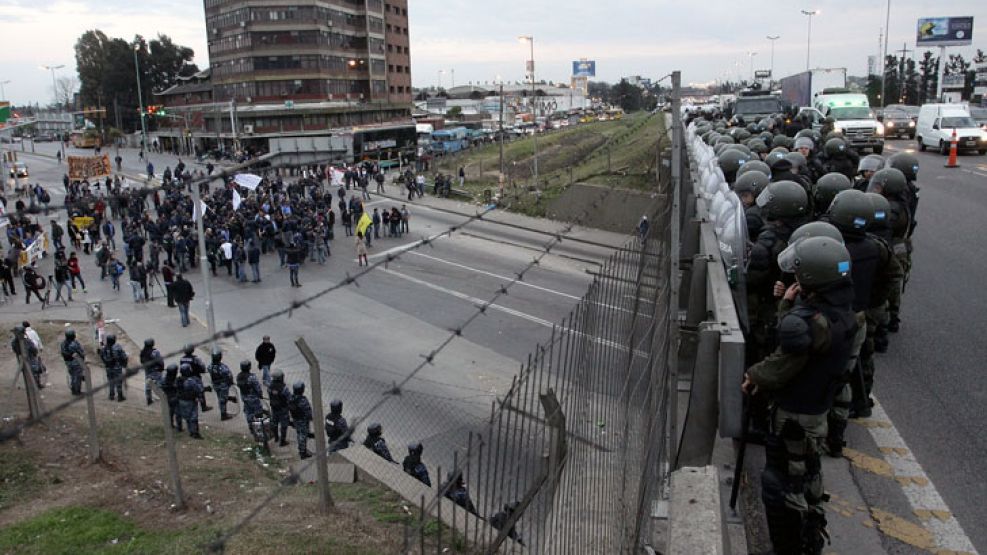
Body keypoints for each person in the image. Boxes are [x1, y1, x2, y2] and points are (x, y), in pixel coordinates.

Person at [743, 236, 857, 555]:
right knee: (807, 481)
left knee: (782, 488)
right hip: (815, 413)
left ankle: (791, 549)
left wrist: (754, 375)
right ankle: (808, 543)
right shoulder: (842, 311)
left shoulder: (809, 323)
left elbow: (783, 359)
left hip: (795, 418)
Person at [11, 325, 44, 390]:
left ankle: (32, 385)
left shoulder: (14, 343)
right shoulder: (27, 342)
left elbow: (16, 350)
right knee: (35, 373)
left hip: (21, 361)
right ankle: (36, 385)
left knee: (27, 374)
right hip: (30, 361)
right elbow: (34, 350)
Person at [177, 364, 204, 439]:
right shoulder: (190, 381)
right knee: (193, 417)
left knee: (187, 417)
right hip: (190, 401)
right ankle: (194, 433)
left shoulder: (178, 379)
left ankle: (191, 431)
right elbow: (199, 389)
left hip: (181, 401)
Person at [288, 381, 313, 459]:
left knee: (299, 434)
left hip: (295, 419)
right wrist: (310, 417)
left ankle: (302, 449)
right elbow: (308, 411)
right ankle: (303, 452)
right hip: (302, 420)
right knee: (303, 436)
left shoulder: (291, 398)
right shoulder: (302, 400)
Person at [100, 334, 128, 402]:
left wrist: (106, 362)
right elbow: (123, 356)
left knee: (111, 381)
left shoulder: (104, 348)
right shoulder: (117, 347)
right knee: (118, 382)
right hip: (117, 368)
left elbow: (101, 356)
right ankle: (120, 396)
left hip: (108, 367)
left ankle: (111, 395)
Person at [208, 348, 235, 421]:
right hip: (223, 385)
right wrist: (230, 382)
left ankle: (223, 412)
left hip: (215, 385)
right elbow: (229, 376)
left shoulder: (210, 366)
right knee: (223, 400)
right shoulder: (223, 367)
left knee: (220, 398)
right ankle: (223, 415)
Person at [268, 370, 292, 447]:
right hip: (283, 408)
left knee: (274, 423)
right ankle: (282, 441)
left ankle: (276, 437)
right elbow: (289, 398)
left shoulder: (270, 386)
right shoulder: (284, 388)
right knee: (284, 425)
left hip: (274, 408)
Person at [236, 360, 264, 426]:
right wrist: (260, 394)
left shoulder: (239, 376)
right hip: (253, 398)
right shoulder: (251, 377)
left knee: (248, 412)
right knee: (258, 413)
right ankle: (260, 428)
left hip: (244, 397)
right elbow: (258, 388)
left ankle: (251, 427)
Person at [139, 338, 165, 406]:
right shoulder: (155, 352)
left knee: (148, 385)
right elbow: (160, 362)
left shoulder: (143, 352)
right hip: (156, 370)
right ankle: (163, 398)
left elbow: (142, 361)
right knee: (159, 383)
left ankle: (149, 399)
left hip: (148, 371)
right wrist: (162, 368)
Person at [60, 329, 86, 395]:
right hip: (76, 362)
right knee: (77, 377)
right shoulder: (74, 344)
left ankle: (73, 389)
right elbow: (81, 353)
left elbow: (63, 353)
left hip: (68, 362)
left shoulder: (63, 343)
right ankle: (77, 391)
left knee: (72, 376)